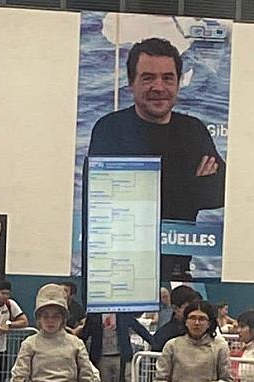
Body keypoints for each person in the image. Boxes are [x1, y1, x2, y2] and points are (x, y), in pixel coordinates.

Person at [88, 37, 226, 280]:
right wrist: (189, 187)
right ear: (131, 82)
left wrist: (151, 187)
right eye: (148, 78)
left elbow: (220, 194)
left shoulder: (193, 131)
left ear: (179, 83)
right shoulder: (110, 129)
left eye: (168, 78)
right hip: (120, 268)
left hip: (178, 268)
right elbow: (106, 199)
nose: (159, 87)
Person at [79, 312, 151, 382]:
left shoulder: (123, 312)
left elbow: (138, 328)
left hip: (122, 357)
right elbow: (85, 334)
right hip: (101, 357)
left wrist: (155, 342)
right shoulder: (94, 315)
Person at [150, 284, 197, 351]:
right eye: (188, 308)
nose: (193, 312)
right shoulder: (164, 335)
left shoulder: (200, 332)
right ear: (175, 308)